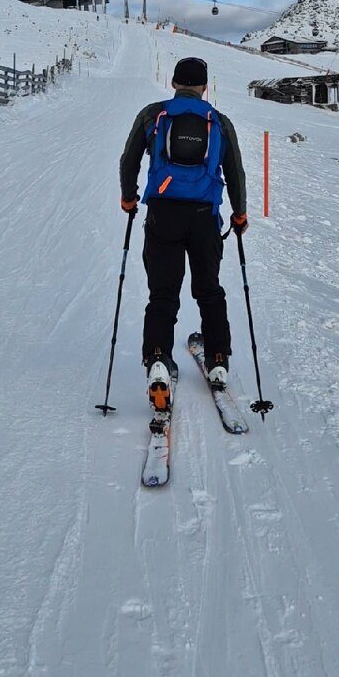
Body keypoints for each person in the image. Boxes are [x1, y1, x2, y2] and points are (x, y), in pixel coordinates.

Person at [119, 56, 248, 415]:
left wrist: (129, 197)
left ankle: (158, 359)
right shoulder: (218, 122)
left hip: (163, 215)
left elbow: (129, 159)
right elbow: (235, 171)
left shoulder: (154, 115)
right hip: (204, 218)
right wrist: (239, 213)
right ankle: (218, 358)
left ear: (174, 82)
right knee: (209, 290)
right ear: (205, 87)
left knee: (163, 292)